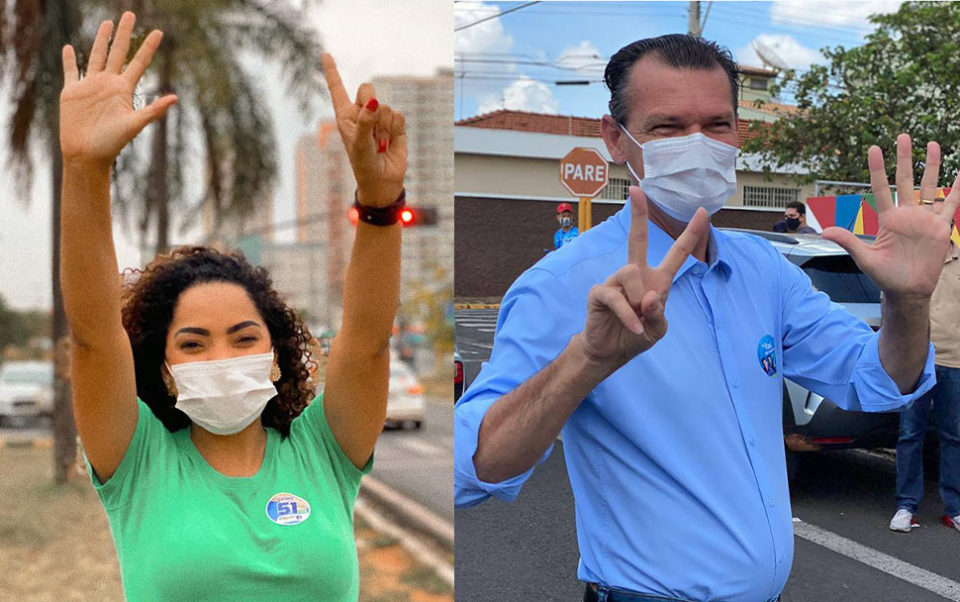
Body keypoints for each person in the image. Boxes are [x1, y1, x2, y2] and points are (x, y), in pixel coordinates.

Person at [454, 33, 953, 602]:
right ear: (616, 139)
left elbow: (880, 381)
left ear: (739, 133)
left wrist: (908, 301)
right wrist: (585, 361)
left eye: (717, 124)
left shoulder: (764, 270)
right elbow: (475, 468)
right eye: (667, 127)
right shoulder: (562, 286)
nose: (698, 145)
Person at [60, 13, 405, 600]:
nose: (222, 355)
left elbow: (367, 340)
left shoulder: (324, 450)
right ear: (163, 369)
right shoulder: (137, 459)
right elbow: (95, 335)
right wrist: (86, 169)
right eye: (193, 343)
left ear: (276, 357)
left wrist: (379, 204)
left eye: (244, 338)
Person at [889, 195, 960, 534]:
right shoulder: (911, 262)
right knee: (909, 435)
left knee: (953, 436)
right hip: (914, 364)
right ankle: (906, 506)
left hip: (955, 362)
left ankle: (954, 508)